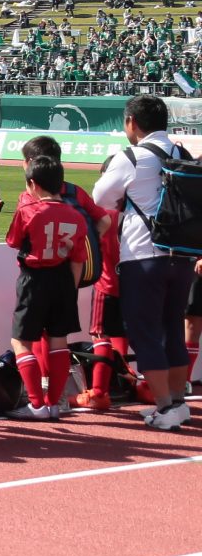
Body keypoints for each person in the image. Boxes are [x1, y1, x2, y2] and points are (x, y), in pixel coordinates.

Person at [91, 95, 196, 429]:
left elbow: (100, 197)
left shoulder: (132, 157)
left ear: (132, 122)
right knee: (172, 329)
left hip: (142, 254)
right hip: (182, 254)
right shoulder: (181, 153)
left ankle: (164, 406)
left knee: (145, 332)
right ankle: (177, 402)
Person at [2, 155, 101, 420]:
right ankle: (55, 403)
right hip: (64, 280)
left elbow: (13, 240)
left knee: (21, 341)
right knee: (59, 342)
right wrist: (71, 288)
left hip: (34, 279)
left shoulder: (28, 211)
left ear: (33, 184)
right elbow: (79, 258)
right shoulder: (76, 216)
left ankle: (36, 404)